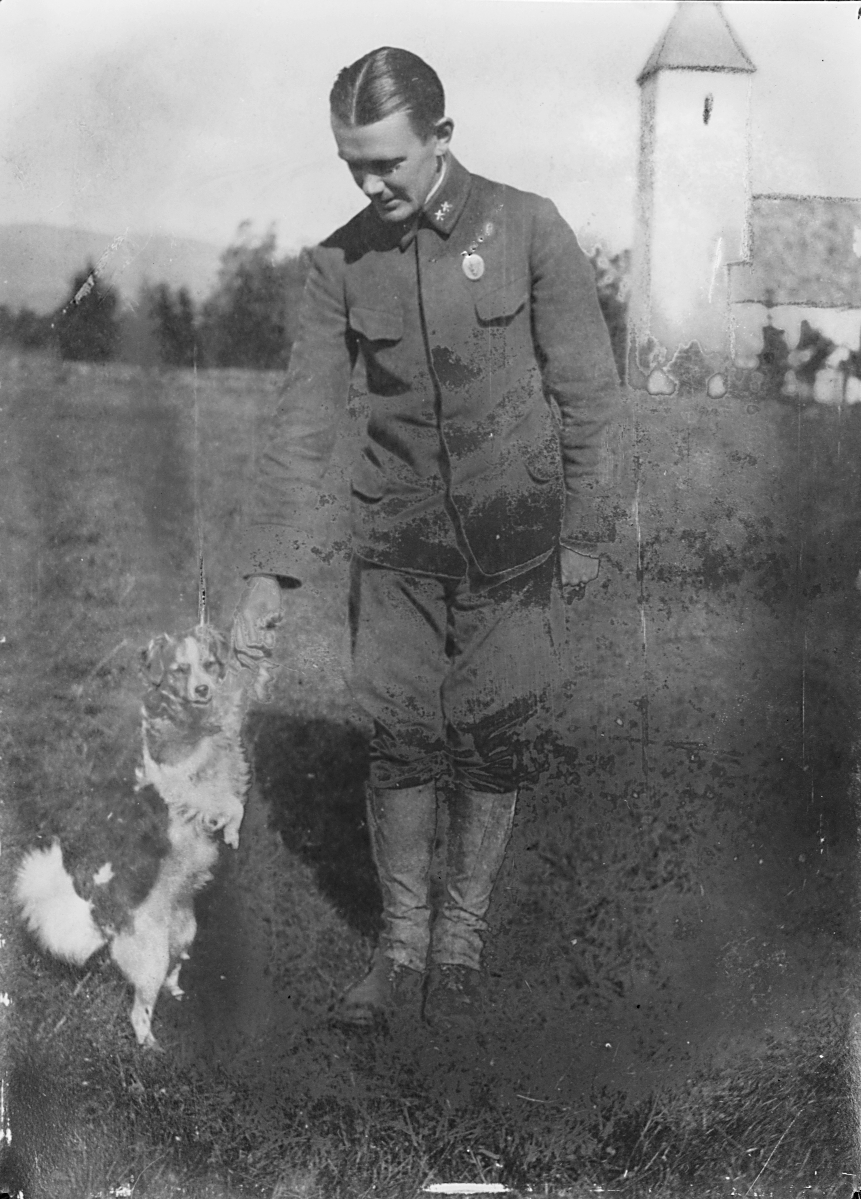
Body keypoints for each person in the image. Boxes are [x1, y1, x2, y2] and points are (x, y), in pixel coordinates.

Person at [232, 47, 621, 1032]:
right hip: (396, 541)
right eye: (351, 164)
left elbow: (590, 392)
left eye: (387, 163)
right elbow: (302, 422)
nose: (370, 183)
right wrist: (268, 570)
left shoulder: (528, 227)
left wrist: (591, 531)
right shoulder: (335, 264)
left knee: (493, 740)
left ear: (442, 138)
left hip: (513, 539)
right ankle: (401, 948)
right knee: (399, 740)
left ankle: (462, 944)